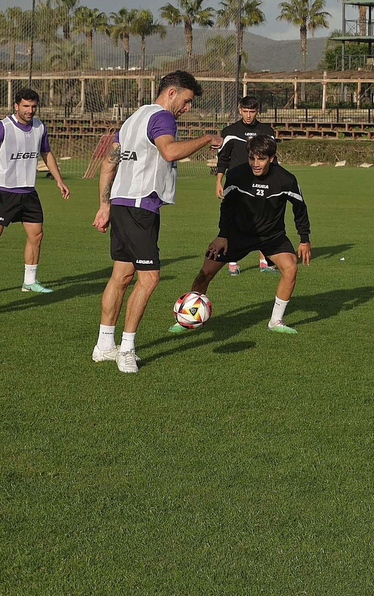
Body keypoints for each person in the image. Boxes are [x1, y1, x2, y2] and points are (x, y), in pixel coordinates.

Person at [91, 71, 220, 373]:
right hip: (140, 206)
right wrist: (206, 138)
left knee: (121, 276)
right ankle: (126, 349)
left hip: (123, 203)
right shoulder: (163, 117)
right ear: (172, 93)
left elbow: (110, 161)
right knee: (149, 279)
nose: (187, 108)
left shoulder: (133, 118)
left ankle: (104, 344)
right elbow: (170, 150)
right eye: (187, 101)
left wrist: (104, 204)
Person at [171, 134, 312, 334]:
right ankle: (187, 317)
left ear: (271, 158)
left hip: (271, 235)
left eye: (261, 158)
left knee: (290, 268)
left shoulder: (286, 179)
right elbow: (227, 207)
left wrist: (304, 239)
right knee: (205, 273)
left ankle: (275, 321)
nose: (255, 163)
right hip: (237, 234)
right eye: (252, 158)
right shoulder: (237, 174)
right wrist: (222, 235)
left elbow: (300, 208)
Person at [0, 87, 70, 299]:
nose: (30, 110)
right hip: (4, 192)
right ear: (16, 106)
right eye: (26, 106)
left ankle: (30, 281)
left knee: (36, 235)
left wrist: (59, 180)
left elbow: (47, 153)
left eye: (33, 106)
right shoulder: (3, 127)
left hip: (29, 192)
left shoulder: (39, 126)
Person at [215, 96, 278, 275]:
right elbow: (223, 159)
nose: (248, 115)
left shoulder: (267, 131)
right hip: (236, 185)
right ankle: (232, 262)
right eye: (245, 111)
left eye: (252, 111)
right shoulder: (230, 131)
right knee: (234, 221)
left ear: (257, 111)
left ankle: (265, 261)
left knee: (264, 219)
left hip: (262, 183)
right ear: (239, 110)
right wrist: (219, 181)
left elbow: (274, 160)